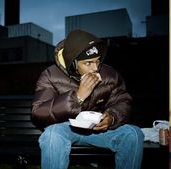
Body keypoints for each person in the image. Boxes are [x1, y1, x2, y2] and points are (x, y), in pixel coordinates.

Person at [31, 29, 144, 169]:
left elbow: (122, 101)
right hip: (66, 129)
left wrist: (112, 117)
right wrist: (77, 97)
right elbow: (38, 112)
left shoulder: (109, 74)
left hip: (98, 131)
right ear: (73, 63)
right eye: (88, 63)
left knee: (133, 134)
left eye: (97, 61)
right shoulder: (50, 75)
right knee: (52, 135)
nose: (95, 68)